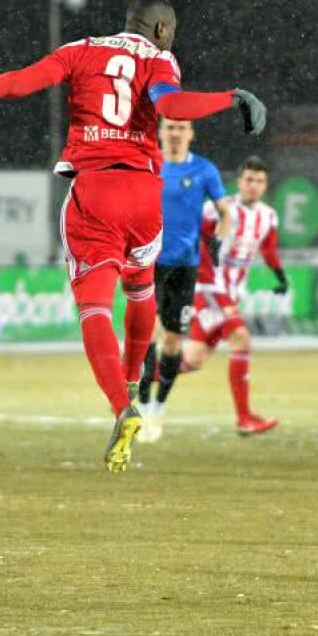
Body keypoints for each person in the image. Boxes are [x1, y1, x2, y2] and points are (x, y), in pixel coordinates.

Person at [0, 0, 267, 472]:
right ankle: (134, 381)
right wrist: (230, 98)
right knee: (139, 289)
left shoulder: (80, 49)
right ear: (161, 32)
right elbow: (173, 106)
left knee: (93, 306)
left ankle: (119, 404)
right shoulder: (160, 59)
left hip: (96, 192)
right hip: (145, 198)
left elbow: (16, 86)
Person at [135, 118, 229, 443]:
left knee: (174, 343)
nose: (175, 133)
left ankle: (159, 406)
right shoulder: (147, 164)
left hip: (185, 267)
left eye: (181, 128)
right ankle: (143, 406)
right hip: (150, 262)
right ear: (160, 132)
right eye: (170, 127)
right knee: (147, 332)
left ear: (190, 133)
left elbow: (225, 209)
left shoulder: (204, 170)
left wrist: (219, 236)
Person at [179, 156, 287, 435]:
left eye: (259, 181)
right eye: (249, 179)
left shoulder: (268, 215)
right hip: (210, 288)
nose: (253, 185)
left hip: (231, 293)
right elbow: (194, 236)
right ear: (240, 181)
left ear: (265, 185)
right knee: (242, 339)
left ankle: (134, 376)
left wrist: (281, 278)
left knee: (193, 359)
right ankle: (244, 418)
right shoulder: (219, 208)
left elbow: (269, 250)